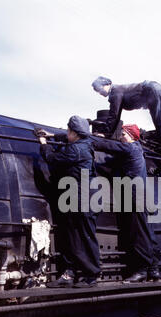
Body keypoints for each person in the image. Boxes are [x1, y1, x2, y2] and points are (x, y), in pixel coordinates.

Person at [36, 115, 101, 288]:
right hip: (76, 196)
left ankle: (91, 275)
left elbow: (53, 159)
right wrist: (52, 135)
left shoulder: (75, 150)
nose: (66, 133)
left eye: (68, 130)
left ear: (75, 133)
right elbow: (67, 138)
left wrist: (44, 143)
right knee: (71, 236)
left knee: (85, 237)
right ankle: (69, 273)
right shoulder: (85, 142)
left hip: (81, 198)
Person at [92, 124, 160, 283]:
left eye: (123, 134)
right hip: (141, 196)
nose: (121, 136)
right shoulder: (136, 149)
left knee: (138, 233)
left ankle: (141, 270)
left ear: (131, 136)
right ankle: (153, 269)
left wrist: (89, 138)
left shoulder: (130, 148)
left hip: (135, 197)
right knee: (147, 233)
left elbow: (107, 146)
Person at [91, 76, 161, 161]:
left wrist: (106, 134)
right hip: (154, 92)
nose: (99, 92)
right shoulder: (117, 91)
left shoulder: (115, 92)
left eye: (99, 89)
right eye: (97, 91)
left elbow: (114, 116)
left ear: (107, 84)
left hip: (153, 91)